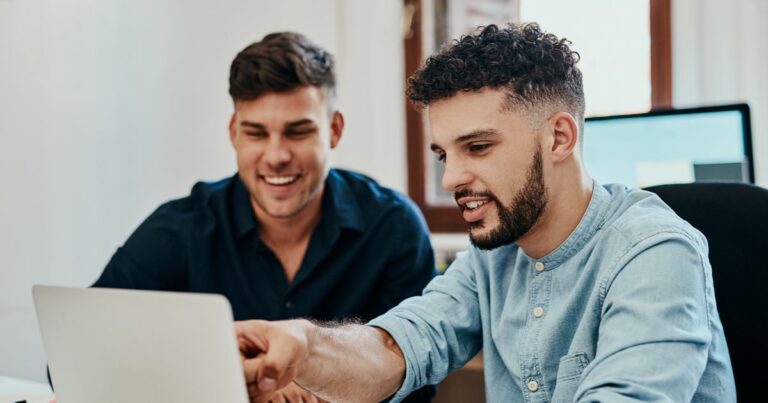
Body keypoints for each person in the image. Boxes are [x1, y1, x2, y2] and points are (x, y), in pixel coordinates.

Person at [234, 23, 737, 403]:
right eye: (443, 154)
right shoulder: (494, 253)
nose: (450, 179)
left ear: (559, 137)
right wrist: (305, 346)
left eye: (477, 147)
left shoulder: (655, 253)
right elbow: (401, 347)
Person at [92, 32, 436, 402]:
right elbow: (83, 353)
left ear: (334, 130)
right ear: (234, 133)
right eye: (256, 134)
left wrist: (316, 385)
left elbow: (417, 382)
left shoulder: (394, 228)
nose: (276, 157)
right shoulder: (178, 229)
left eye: (298, 132)